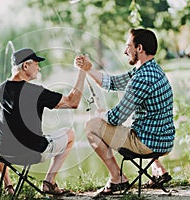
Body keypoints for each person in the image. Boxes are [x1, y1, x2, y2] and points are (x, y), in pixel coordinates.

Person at [77, 28, 175, 195]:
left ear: (139, 48)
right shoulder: (151, 70)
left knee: (91, 127)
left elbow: (116, 118)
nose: (125, 51)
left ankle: (117, 177)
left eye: (128, 46)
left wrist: (100, 115)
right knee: (141, 124)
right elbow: (112, 82)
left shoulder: (142, 78)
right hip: (165, 141)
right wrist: (88, 69)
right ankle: (158, 169)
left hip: (147, 144)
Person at [0, 48, 87, 195]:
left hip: (5, 153)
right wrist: (83, 72)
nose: (39, 67)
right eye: (36, 63)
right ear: (25, 66)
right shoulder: (35, 91)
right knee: (70, 134)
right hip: (32, 153)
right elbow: (73, 102)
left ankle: (8, 187)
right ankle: (49, 182)